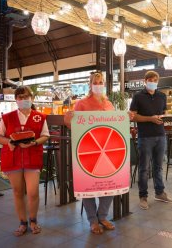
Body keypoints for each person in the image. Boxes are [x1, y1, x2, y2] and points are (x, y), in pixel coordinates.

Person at [64, 72, 116, 235]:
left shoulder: (109, 104)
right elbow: (73, 125)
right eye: (96, 82)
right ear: (90, 84)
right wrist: (67, 120)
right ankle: (93, 220)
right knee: (88, 187)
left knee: (109, 184)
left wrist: (125, 118)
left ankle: (103, 216)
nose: (98, 85)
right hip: (88, 150)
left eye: (101, 82)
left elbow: (115, 124)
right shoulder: (82, 104)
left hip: (106, 149)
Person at [0, 86, 49, 236]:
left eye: (26, 97)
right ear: (16, 100)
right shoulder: (8, 117)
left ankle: (33, 220)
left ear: (32, 98)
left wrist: (35, 142)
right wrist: (9, 142)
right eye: (20, 98)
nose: (24, 100)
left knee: (33, 192)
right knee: (18, 192)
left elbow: (45, 135)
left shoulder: (40, 117)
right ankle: (23, 222)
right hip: (13, 159)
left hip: (33, 158)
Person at [130, 71, 172, 210]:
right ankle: (143, 196)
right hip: (145, 137)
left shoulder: (162, 96)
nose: (152, 81)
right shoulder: (138, 96)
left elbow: (163, 113)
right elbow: (133, 117)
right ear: (145, 80)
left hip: (161, 135)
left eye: (155, 79)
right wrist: (150, 119)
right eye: (150, 79)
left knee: (158, 167)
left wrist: (165, 118)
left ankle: (159, 193)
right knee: (144, 169)